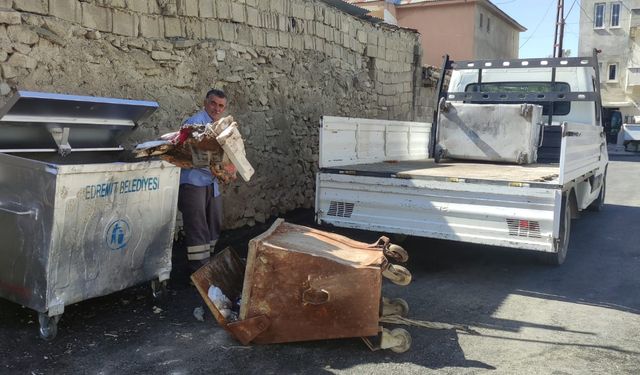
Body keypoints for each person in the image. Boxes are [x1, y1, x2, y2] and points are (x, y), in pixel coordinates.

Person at [178, 89, 227, 272]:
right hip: (193, 182)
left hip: (211, 182)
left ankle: (207, 266)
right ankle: (199, 272)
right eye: (213, 103)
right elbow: (193, 156)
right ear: (205, 102)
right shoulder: (195, 123)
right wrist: (223, 166)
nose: (216, 108)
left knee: (214, 224)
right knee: (197, 227)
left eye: (221, 105)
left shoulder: (220, 126)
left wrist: (229, 166)